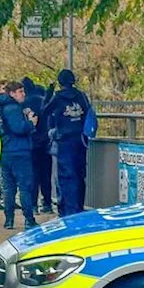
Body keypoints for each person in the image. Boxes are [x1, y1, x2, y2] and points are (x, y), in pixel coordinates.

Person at [47, 69, 93, 217]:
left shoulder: (58, 98)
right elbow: (88, 113)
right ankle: (79, 207)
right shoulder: (81, 96)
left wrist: (49, 93)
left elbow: (44, 111)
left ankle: (68, 210)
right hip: (80, 141)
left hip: (64, 141)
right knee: (80, 175)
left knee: (66, 177)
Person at [0, 82, 38, 230]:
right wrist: (31, 123)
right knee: (25, 186)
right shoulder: (13, 108)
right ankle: (29, 219)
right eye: (20, 91)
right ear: (12, 93)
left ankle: (9, 220)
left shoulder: (1, 108)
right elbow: (19, 128)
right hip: (19, 151)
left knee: (9, 187)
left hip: (6, 150)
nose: (23, 94)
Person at [22, 77, 53, 213]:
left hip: (31, 142)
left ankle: (33, 205)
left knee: (33, 175)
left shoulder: (24, 103)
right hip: (46, 141)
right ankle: (47, 203)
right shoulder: (43, 100)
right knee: (46, 174)